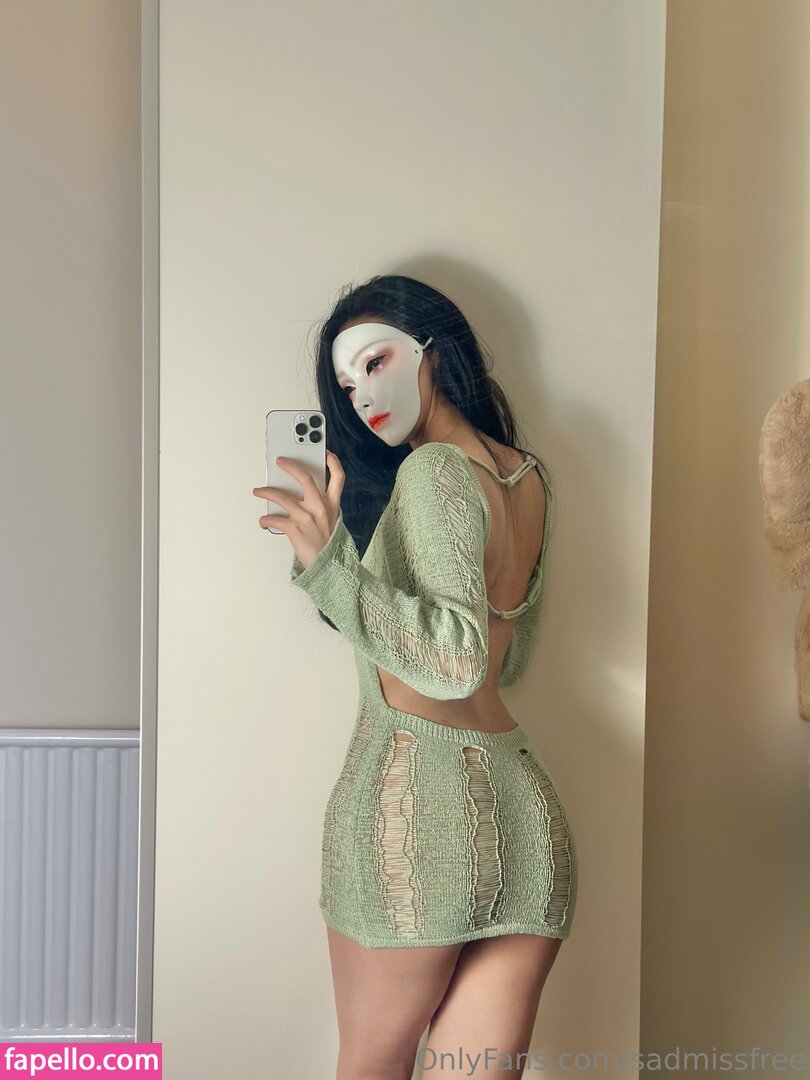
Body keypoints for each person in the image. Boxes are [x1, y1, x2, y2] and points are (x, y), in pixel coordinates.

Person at [252, 274, 577, 1079]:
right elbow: (508, 659)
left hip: (414, 812)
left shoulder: (432, 471)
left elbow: (456, 661)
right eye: (345, 382)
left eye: (375, 361)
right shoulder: (527, 478)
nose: (361, 393)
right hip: (525, 819)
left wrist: (329, 569)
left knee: (372, 1064)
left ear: (436, 352)